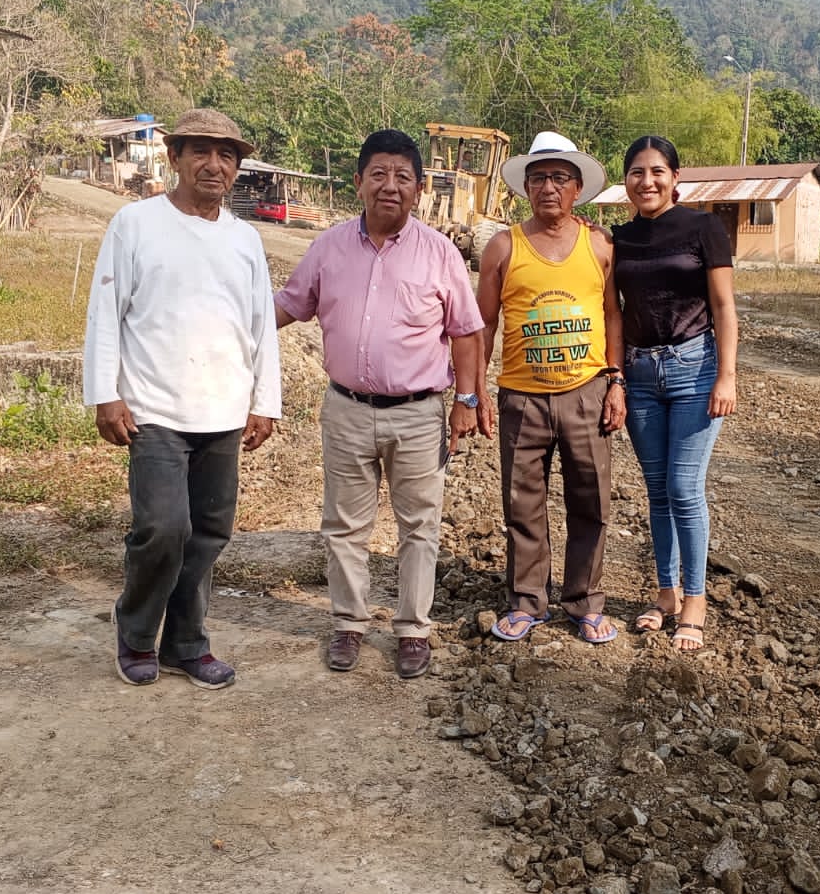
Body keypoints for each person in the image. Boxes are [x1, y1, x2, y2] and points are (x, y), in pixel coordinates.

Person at [274, 129, 487, 680]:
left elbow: (466, 332)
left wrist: (467, 399)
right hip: (346, 409)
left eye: (402, 177)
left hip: (418, 414)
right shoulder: (329, 247)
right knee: (344, 525)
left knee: (419, 526)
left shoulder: (439, 253)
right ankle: (349, 622)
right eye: (379, 174)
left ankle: (413, 630)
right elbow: (289, 305)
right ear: (359, 182)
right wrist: (222, 318)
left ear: (419, 188)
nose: (390, 186)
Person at [82, 108, 282, 689]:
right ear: (174, 157)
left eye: (227, 155)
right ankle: (136, 632)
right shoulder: (136, 224)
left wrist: (264, 401)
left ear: (237, 167)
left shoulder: (245, 239)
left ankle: (185, 644)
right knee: (164, 527)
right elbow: (105, 313)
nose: (214, 165)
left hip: (223, 412)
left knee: (208, 534)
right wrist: (105, 394)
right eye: (200, 151)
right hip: (154, 410)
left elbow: (261, 326)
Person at [479, 132, 625, 644]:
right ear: (525, 187)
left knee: (592, 501)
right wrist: (475, 389)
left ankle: (585, 601)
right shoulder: (503, 246)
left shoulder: (600, 245)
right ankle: (527, 601)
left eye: (560, 178)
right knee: (522, 503)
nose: (548, 187)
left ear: (577, 188)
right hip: (521, 395)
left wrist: (616, 381)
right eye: (538, 178)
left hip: (587, 391)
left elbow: (612, 315)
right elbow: (484, 324)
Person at [613, 135, 738, 652]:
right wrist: (617, 378)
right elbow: (615, 312)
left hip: (694, 370)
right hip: (640, 373)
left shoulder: (704, 228)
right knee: (658, 490)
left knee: (685, 489)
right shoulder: (620, 239)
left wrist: (727, 376)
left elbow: (724, 307)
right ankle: (665, 594)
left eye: (657, 171)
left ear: (675, 178)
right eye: (637, 172)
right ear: (626, 181)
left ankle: (695, 600)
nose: (647, 181)